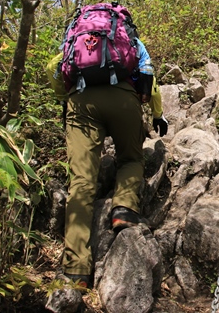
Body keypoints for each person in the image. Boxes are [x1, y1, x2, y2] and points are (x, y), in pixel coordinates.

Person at [46, 37, 168, 288]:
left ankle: (76, 269)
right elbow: (149, 74)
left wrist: (64, 97)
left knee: (81, 180)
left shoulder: (74, 39)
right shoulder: (128, 38)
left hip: (80, 101)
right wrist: (158, 114)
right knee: (131, 158)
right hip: (124, 99)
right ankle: (123, 209)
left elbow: (52, 68)